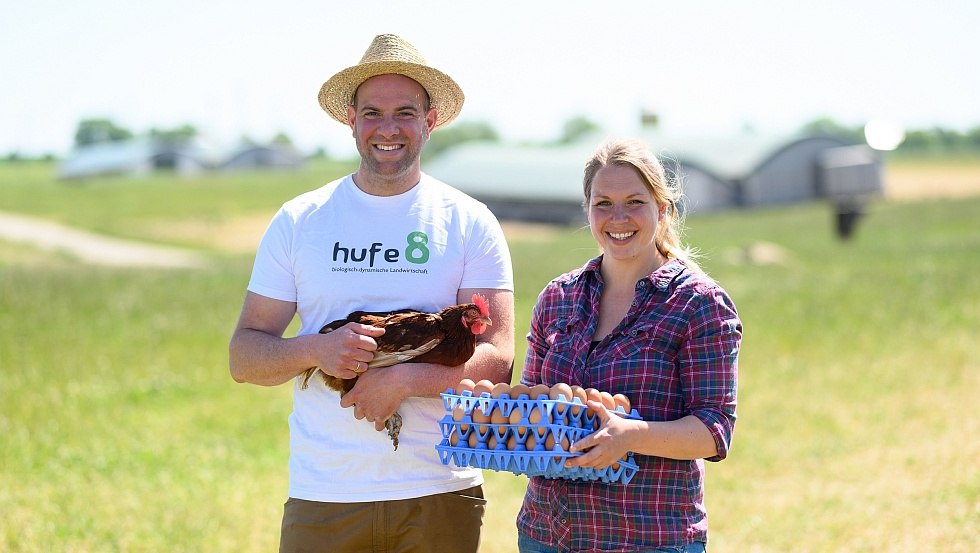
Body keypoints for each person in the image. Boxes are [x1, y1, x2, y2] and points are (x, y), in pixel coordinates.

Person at [228, 34, 515, 553]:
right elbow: (245, 357)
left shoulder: (469, 221)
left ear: (430, 120)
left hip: (439, 487)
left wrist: (402, 379)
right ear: (351, 121)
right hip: (326, 490)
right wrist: (315, 349)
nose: (388, 128)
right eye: (372, 113)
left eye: (405, 112)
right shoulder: (300, 220)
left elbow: (496, 359)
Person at [517, 139, 741, 553]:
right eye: (603, 203)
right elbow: (531, 403)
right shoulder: (558, 298)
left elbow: (714, 430)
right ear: (587, 210)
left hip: (646, 535)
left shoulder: (697, 303)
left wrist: (630, 434)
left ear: (663, 208)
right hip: (547, 532)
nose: (617, 217)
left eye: (634, 201)